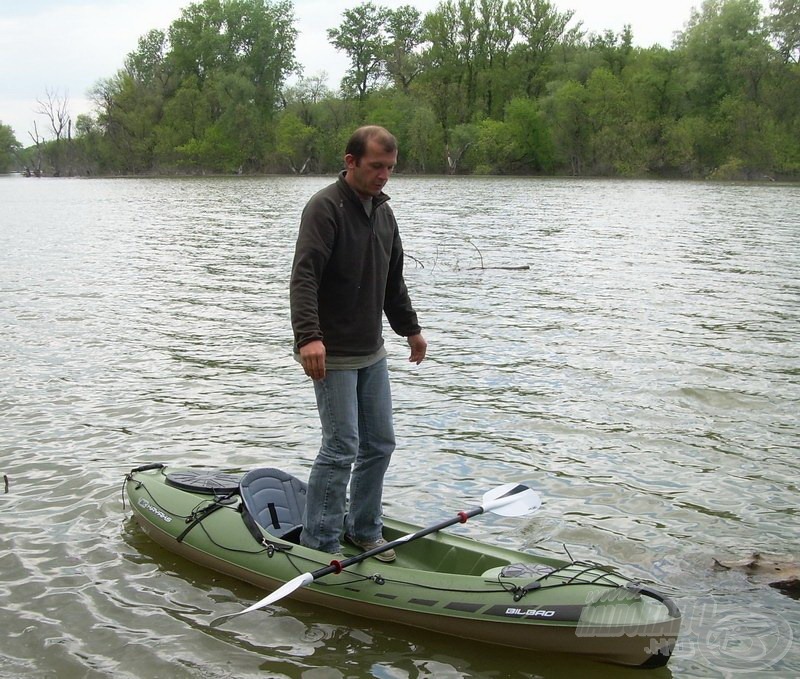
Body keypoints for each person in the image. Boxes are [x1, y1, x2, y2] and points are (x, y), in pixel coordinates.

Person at [290, 125, 427, 561]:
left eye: (390, 167)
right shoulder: (324, 209)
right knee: (341, 446)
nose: (384, 175)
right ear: (351, 162)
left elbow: (393, 281)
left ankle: (364, 530)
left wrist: (410, 329)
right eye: (376, 167)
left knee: (380, 443)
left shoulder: (384, 214)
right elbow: (304, 278)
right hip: (333, 354)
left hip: (373, 352)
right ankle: (321, 543)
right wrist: (309, 337)